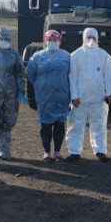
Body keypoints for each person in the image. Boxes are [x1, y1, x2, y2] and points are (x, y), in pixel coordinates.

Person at [65, 28, 111, 162]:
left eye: (93, 37)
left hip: (98, 99)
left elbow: (110, 76)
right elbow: (72, 77)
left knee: (99, 125)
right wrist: (74, 96)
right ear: (83, 38)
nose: (91, 40)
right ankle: (74, 151)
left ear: (98, 38)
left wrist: (110, 93)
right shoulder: (75, 56)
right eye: (88, 37)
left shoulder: (104, 56)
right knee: (75, 125)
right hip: (79, 100)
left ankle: (100, 150)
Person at [0, 27, 28, 160]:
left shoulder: (14, 54)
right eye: (0, 38)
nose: (3, 41)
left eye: (6, 39)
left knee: (8, 120)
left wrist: (20, 91)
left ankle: (4, 149)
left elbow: (20, 74)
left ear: (9, 40)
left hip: (10, 93)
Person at [26, 30, 71, 162]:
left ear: (60, 41)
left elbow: (72, 75)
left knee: (59, 125)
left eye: (55, 40)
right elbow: (31, 74)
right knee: (45, 125)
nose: (52, 42)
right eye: (50, 40)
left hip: (61, 96)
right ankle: (46, 152)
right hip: (44, 97)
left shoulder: (67, 56)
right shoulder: (37, 56)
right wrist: (41, 86)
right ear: (46, 40)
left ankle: (57, 152)